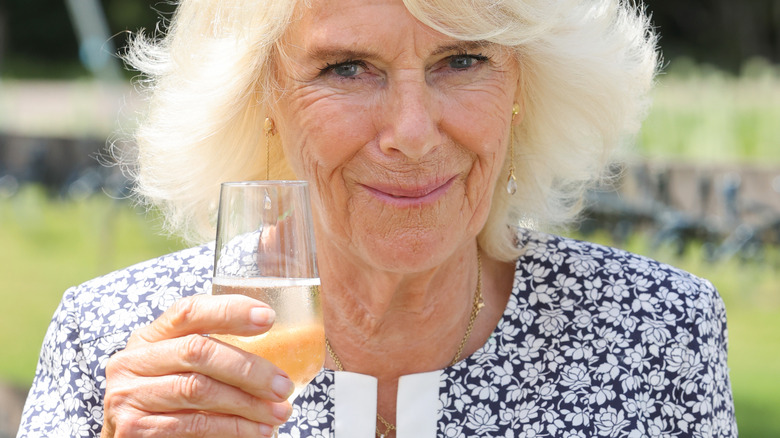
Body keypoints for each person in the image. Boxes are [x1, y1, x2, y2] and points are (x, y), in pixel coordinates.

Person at [18, 0, 737, 436]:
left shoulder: (656, 333)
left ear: (526, 85)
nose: (413, 131)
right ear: (262, 96)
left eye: (462, 60)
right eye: (346, 68)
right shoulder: (114, 346)